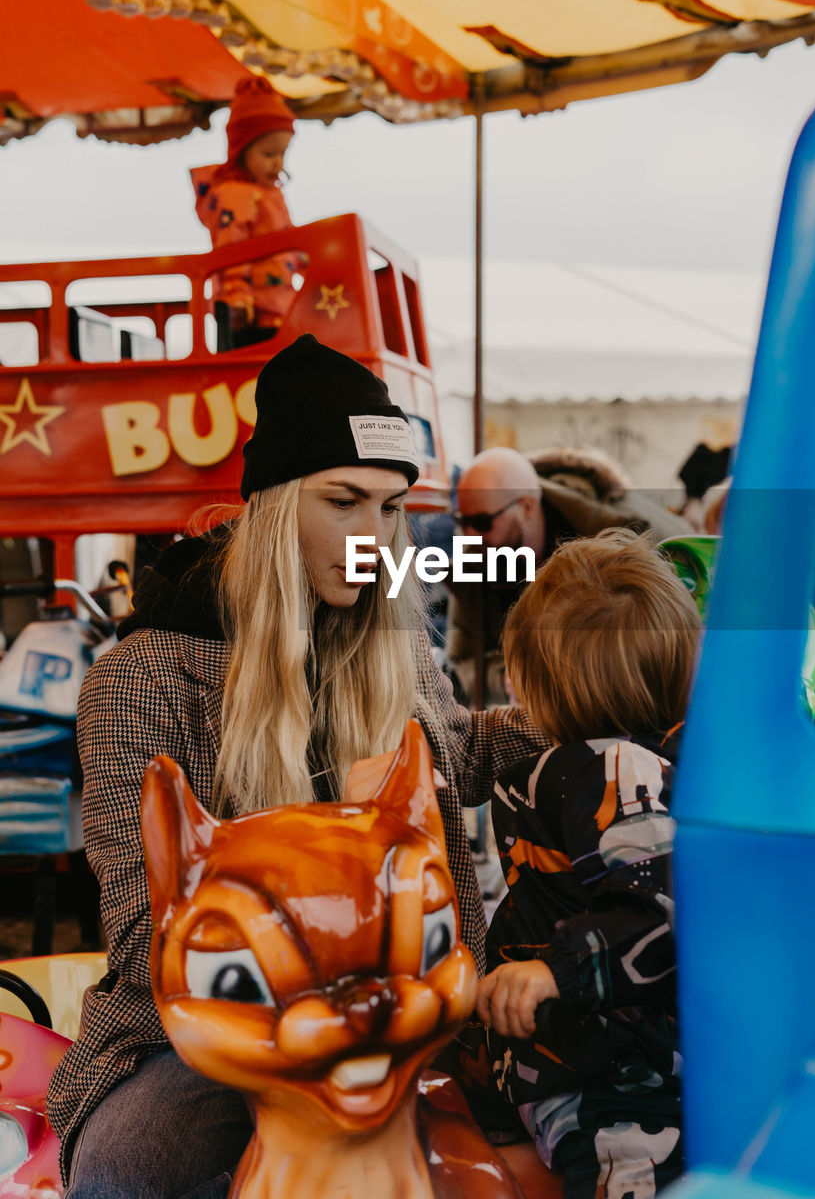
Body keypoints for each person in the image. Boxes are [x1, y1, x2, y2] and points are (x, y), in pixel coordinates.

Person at [46, 334, 547, 1199]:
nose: (374, 537)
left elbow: (465, 749)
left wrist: (604, 712)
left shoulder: (389, 642)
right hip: (216, 1033)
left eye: (392, 508)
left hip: (407, 1009)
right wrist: (326, 844)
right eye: (344, 501)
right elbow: (141, 931)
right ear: (274, 508)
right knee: (134, 1171)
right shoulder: (143, 679)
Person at [473, 530, 701, 1198]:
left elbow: (661, 907)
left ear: (533, 681)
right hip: (579, 1054)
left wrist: (555, 970)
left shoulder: (612, 771)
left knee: (620, 1175)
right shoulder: (637, 764)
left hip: (623, 1074)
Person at [445, 446, 683, 705]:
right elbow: (463, 665)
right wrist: (505, 676)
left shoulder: (624, 537)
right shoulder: (474, 563)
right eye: (462, 520)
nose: (469, 534)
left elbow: (670, 642)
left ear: (526, 506)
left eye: (482, 521)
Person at [191, 75, 304, 350]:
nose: (278, 162)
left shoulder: (272, 194)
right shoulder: (233, 194)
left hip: (278, 309)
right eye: (268, 154)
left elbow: (289, 242)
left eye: (282, 154)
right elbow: (230, 249)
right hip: (246, 313)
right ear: (241, 151)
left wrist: (315, 258)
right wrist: (236, 297)